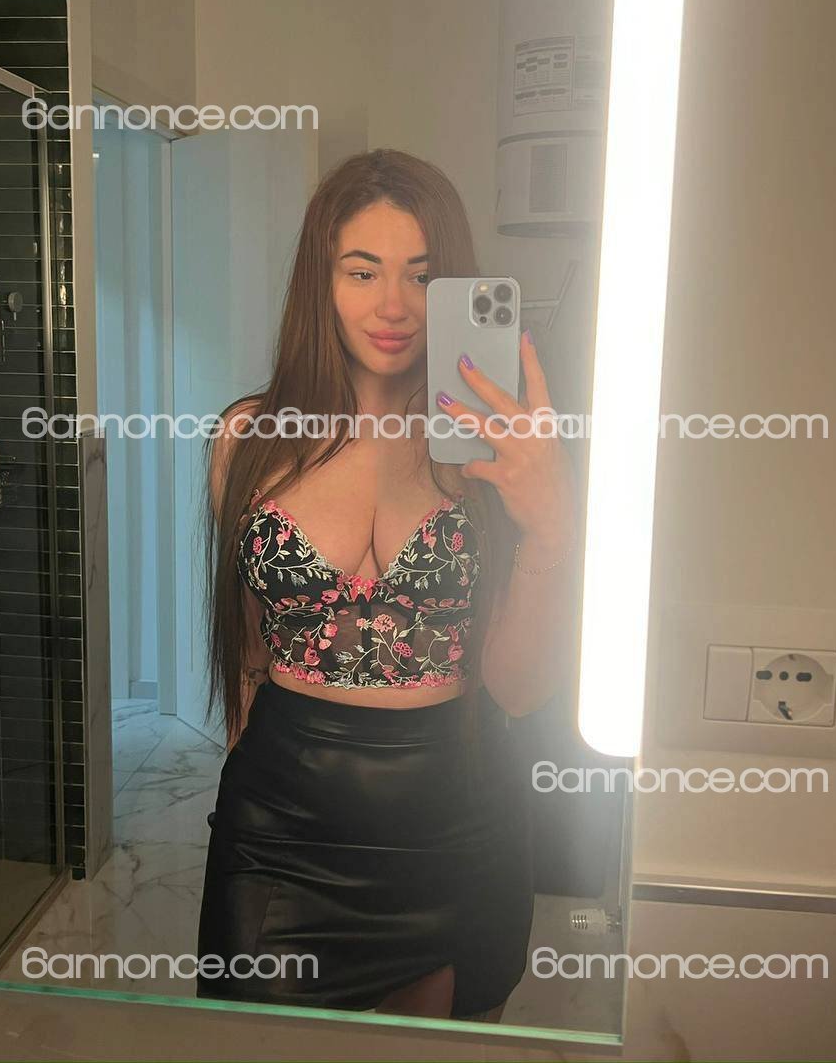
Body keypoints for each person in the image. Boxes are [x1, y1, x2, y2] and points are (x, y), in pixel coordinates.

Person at [196, 148, 578, 1021]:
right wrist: (243, 809)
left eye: (423, 275)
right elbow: (249, 658)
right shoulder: (247, 439)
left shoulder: (499, 454)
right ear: (320, 281)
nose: (394, 305)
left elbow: (519, 689)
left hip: (457, 828)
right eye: (362, 271)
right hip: (278, 836)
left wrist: (551, 523)